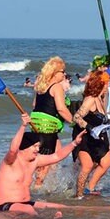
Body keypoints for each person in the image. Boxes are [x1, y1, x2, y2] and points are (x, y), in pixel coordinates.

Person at [0, 113, 110, 216]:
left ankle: (108, 208)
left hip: (26, 203)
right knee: (30, 211)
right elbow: (13, 149)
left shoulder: (35, 161)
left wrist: (75, 144)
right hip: (6, 205)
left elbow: (56, 156)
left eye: (38, 146)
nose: (37, 150)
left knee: (61, 206)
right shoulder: (10, 161)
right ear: (25, 147)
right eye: (35, 146)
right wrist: (23, 126)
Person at [30, 56, 74, 187]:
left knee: (51, 152)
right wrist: (75, 122)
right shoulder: (56, 87)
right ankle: (37, 186)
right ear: (55, 73)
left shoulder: (41, 86)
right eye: (63, 71)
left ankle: (50, 181)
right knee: (46, 160)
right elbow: (61, 109)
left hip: (36, 124)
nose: (64, 74)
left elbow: (34, 105)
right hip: (48, 126)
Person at [72, 71, 110, 198]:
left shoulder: (102, 99)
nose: (108, 86)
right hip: (84, 135)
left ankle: (89, 188)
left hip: (97, 136)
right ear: (99, 84)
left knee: (106, 162)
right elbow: (76, 117)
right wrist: (89, 127)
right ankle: (78, 195)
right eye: (106, 84)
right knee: (87, 165)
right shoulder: (90, 99)